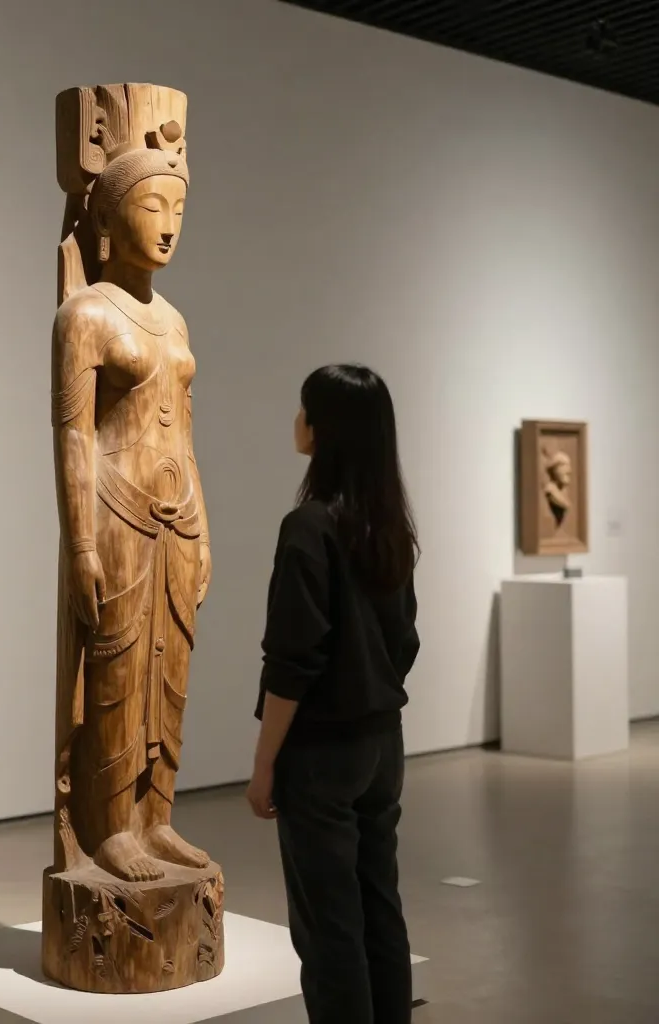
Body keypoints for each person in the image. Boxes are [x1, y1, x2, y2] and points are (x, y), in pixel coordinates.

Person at [246, 364, 420, 1024]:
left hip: (321, 754)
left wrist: (264, 766)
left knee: (328, 929)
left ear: (323, 431)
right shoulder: (389, 527)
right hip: (383, 745)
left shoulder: (310, 527)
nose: (297, 422)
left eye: (303, 411)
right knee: (379, 904)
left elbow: (291, 663)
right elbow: (404, 642)